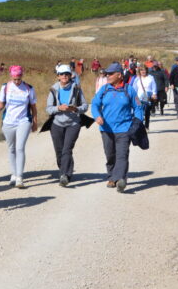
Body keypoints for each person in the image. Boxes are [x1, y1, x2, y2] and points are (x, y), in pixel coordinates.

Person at [91, 62, 144, 193]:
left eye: (110, 73)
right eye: (107, 73)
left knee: (122, 155)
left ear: (119, 75)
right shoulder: (104, 89)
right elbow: (94, 104)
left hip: (124, 128)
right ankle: (111, 177)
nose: (107, 75)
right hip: (106, 129)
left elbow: (138, 107)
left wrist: (137, 123)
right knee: (110, 155)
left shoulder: (129, 90)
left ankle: (121, 179)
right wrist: (97, 116)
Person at [0, 65, 37, 189]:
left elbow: (33, 107)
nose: (17, 81)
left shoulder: (28, 88)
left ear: (22, 76)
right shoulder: (5, 87)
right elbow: (2, 103)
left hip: (23, 121)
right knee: (11, 148)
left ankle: (19, 177)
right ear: (11, 77)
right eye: (14, 79)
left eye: (19, 78)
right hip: (8, 122)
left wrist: (34, 122)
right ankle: (13, 174)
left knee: (20, 148)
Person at [45, 64, 88, 186]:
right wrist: (59, 108)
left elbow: (85, 106)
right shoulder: (53, 89)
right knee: (59, 151)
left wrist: (76, 109)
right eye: (62, 74)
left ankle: (64, 175)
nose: (64, 76)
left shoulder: (77, 89)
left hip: (73, 123)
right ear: (58, 76)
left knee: (67, 149)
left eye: (67, 74)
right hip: (56, 124)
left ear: (70, 76)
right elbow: (48, 109)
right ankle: (65, 169)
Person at [132, 65, 157, 129]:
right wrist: (133, 97)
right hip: (138, 97)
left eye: (144, 70)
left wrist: (154, 94)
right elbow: (134, 89)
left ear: (146, 70)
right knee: (139, 112)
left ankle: (146, 125)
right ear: (139, 71)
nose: (143, 71)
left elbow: (154, 87)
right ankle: (140, 126)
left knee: (147, 111)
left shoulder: (151, 77)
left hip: (148, 96)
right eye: (141, 70)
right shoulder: (137, 79)